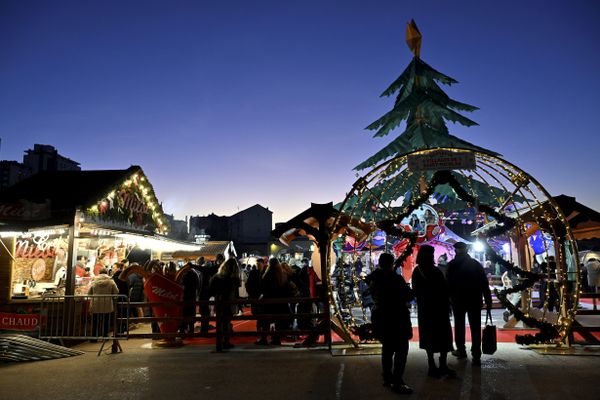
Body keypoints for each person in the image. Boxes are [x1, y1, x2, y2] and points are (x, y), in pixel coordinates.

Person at [366, 253, 414, 394]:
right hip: (396, 316)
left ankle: (387, 377)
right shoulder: (395, 278)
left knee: (387, 348)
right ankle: (397, 380)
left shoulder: (373, 279)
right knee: (401, 350)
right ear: (391, 263)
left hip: (381, 316)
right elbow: (407, 295)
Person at [412, 245, 456, 378]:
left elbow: (416, 291)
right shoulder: (435, 271)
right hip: (439, 308)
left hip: (425, 309)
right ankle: (442, 364)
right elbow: (444, 289)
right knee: (443, 336)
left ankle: (432, 365)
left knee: (429, 336)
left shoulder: (417, 271)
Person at [446, 242, 492, 365]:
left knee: (459, 325)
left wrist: (448, 300)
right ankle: (476, 354)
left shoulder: (451, 265)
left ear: (456, 251)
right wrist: (488, 300)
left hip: (458, 300)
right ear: (467, 250)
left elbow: (448, 284)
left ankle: (461, 350)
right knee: (475, 327)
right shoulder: (476, 264)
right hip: (474, 299)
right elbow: (484, 283)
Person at [209, 258, 241, 349]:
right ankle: (225, 341)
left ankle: (220, 342)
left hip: (219, 301)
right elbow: (235, 290)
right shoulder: (233, 278)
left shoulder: (217, 277)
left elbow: (210, 289)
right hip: (228, 302)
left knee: (221, 322)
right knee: (226, 321)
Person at [88, 267, 119, 341]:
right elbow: (116, 292)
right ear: (107, 273)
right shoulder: (111, 281)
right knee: (106, 321)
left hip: (96, 303)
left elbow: (89, 293)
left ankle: (93, 338)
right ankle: (105, 336)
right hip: (107, 303)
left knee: (95, 321)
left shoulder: (94, 281)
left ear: (99, 273)